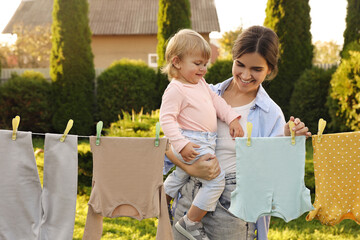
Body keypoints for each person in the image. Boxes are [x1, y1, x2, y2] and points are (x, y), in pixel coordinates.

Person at [164, 25, 312, 240]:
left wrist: (287, 138)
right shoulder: (204, 92)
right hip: (189, 196)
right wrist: (191, 168)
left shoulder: (270, 113)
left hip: (232, 207)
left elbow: (272, 171)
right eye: (240, 64)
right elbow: (165, 145)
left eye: (256, 69)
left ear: (269, 69)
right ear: (232, 59)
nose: (245, 74)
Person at [159, 29, 244, 240]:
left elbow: (218, 103)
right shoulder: (176, 89)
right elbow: (166, 119)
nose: (203, 69)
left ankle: (160, 203)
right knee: (216, 180)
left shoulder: (201, 85)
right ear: (177, 62)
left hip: (202, 142)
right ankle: (191, 222)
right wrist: (181, 144)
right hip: (191, 142)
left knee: (180, 175)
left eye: (205, 64)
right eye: (197, 63)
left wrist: (232, 118)